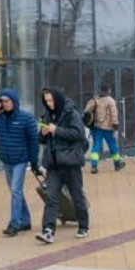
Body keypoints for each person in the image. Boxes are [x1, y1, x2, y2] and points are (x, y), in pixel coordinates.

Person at [0, 88, 41, 237]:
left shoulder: (26, 118)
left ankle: (14, 224)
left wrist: (34, 161)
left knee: (15, 190)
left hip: (20, 159)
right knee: (15, 191)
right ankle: (25, 220)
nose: (5, 104)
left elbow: (34, 141)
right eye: (2, 101)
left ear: (14, 102)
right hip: (6, 160)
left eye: (7, 101)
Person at [35, 86, 90, 243]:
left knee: (77, 196)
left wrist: (56, 130)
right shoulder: (47, 115)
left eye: (51, 100)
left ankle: (83, 226)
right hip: (53, 164)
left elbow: (78, 134)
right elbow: (42, 139)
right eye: (46, 101)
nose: (49, 104)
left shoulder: (71, 113)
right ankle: (48, 231)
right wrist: (43, 134)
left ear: (57, 98)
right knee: (51, 197)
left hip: (70, 162)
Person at [84, 84, 124, 174]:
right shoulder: (111, 101)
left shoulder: (96, 100)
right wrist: (116, 124)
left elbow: (86, 110)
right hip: (108, 128)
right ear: (108, 90)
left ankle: (94, 166)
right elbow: (114, 114)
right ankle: (117, 163)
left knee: (96, 146)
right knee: (112, 145)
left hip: (98, 127)